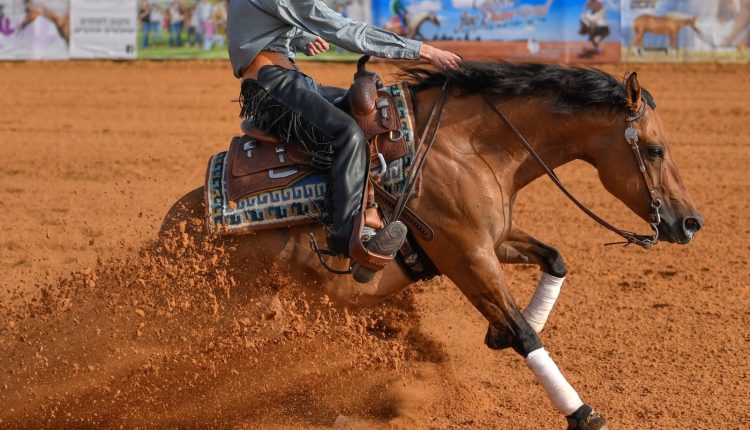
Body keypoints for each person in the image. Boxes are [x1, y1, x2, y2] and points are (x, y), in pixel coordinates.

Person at [227, 0, 460, 282]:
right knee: (347, 134)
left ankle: (380, 211)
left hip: (282, 79)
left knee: (368, 112)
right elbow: (346, 30)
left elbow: (254, 30)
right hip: (274, 84)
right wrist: (422, 51)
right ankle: (350, 236)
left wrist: (302, 39)